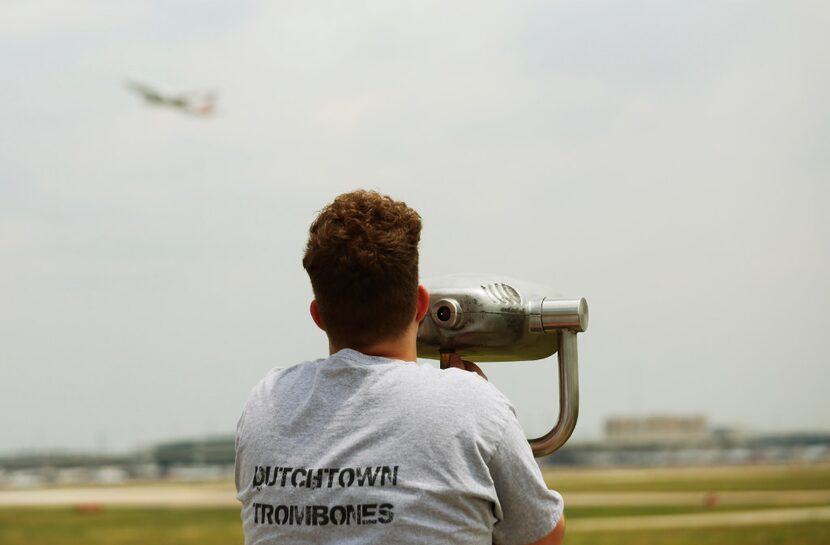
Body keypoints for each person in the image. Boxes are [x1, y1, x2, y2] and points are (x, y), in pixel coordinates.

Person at [235, 190, 566, 545]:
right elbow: (542, 536)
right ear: (421, 304)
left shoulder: (264, 404)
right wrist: (474, 400)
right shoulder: (472, 405)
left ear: (318, 316)